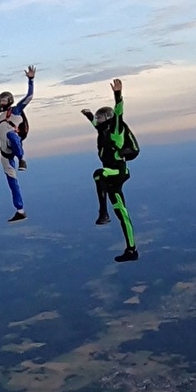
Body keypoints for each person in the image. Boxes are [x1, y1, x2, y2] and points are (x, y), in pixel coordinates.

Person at [82, 78, 137, 262]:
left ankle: (103, 213)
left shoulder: (116, 128)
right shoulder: (103, 132)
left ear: (108, 119)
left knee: (98, 174)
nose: (98, 121)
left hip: (118, 171)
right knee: (122, 212)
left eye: (100, 117)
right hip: (112, 176)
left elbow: (119, 113)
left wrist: (118, 95)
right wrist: (89, 115)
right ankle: (131, 250)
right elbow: (96, 127)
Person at [0, 65, 36, 222]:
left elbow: (29, 96)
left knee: (12, 135)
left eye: (4, 100)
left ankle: (22, 159)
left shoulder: (16, 110)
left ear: (10, 100)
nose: (1, 102)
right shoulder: (2, 117)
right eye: (0, 100)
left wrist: (31, 79)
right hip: (4, 153)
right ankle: (20, 210)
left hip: (13, 147)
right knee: (12, 183)